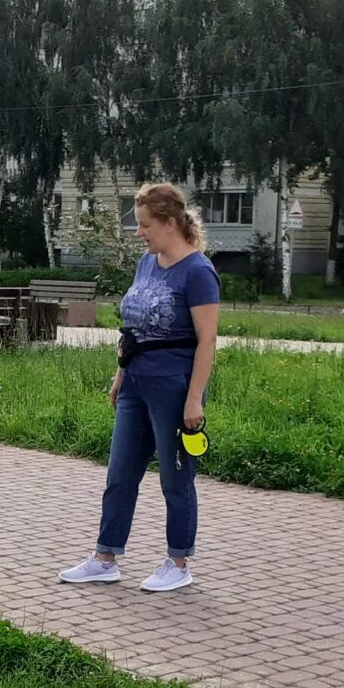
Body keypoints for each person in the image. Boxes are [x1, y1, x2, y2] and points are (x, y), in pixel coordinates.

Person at [60, 182, 219, 593]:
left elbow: (207, 341)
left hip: (174, 386)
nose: (139, 233)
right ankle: (105, 557)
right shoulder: (147, 264)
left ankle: (178, 562)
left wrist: (194, 398)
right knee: (120, 473)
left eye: (145, 225)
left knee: (174, 478)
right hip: (135, 382)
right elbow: (131, 328)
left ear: (169, 223)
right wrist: (119, 375)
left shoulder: (198, 272)